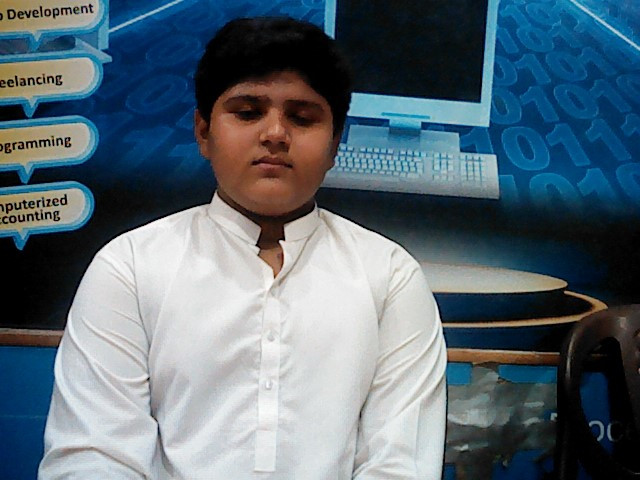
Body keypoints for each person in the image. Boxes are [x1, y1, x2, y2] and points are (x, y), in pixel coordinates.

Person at [39, 16, 447, 479]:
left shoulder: (389, 276)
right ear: (203, 132)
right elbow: (94, 457)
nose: (275, 134)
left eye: (302, 117)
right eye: (248, 112)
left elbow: (400, 465)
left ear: (335, 144)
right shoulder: (130, 267)